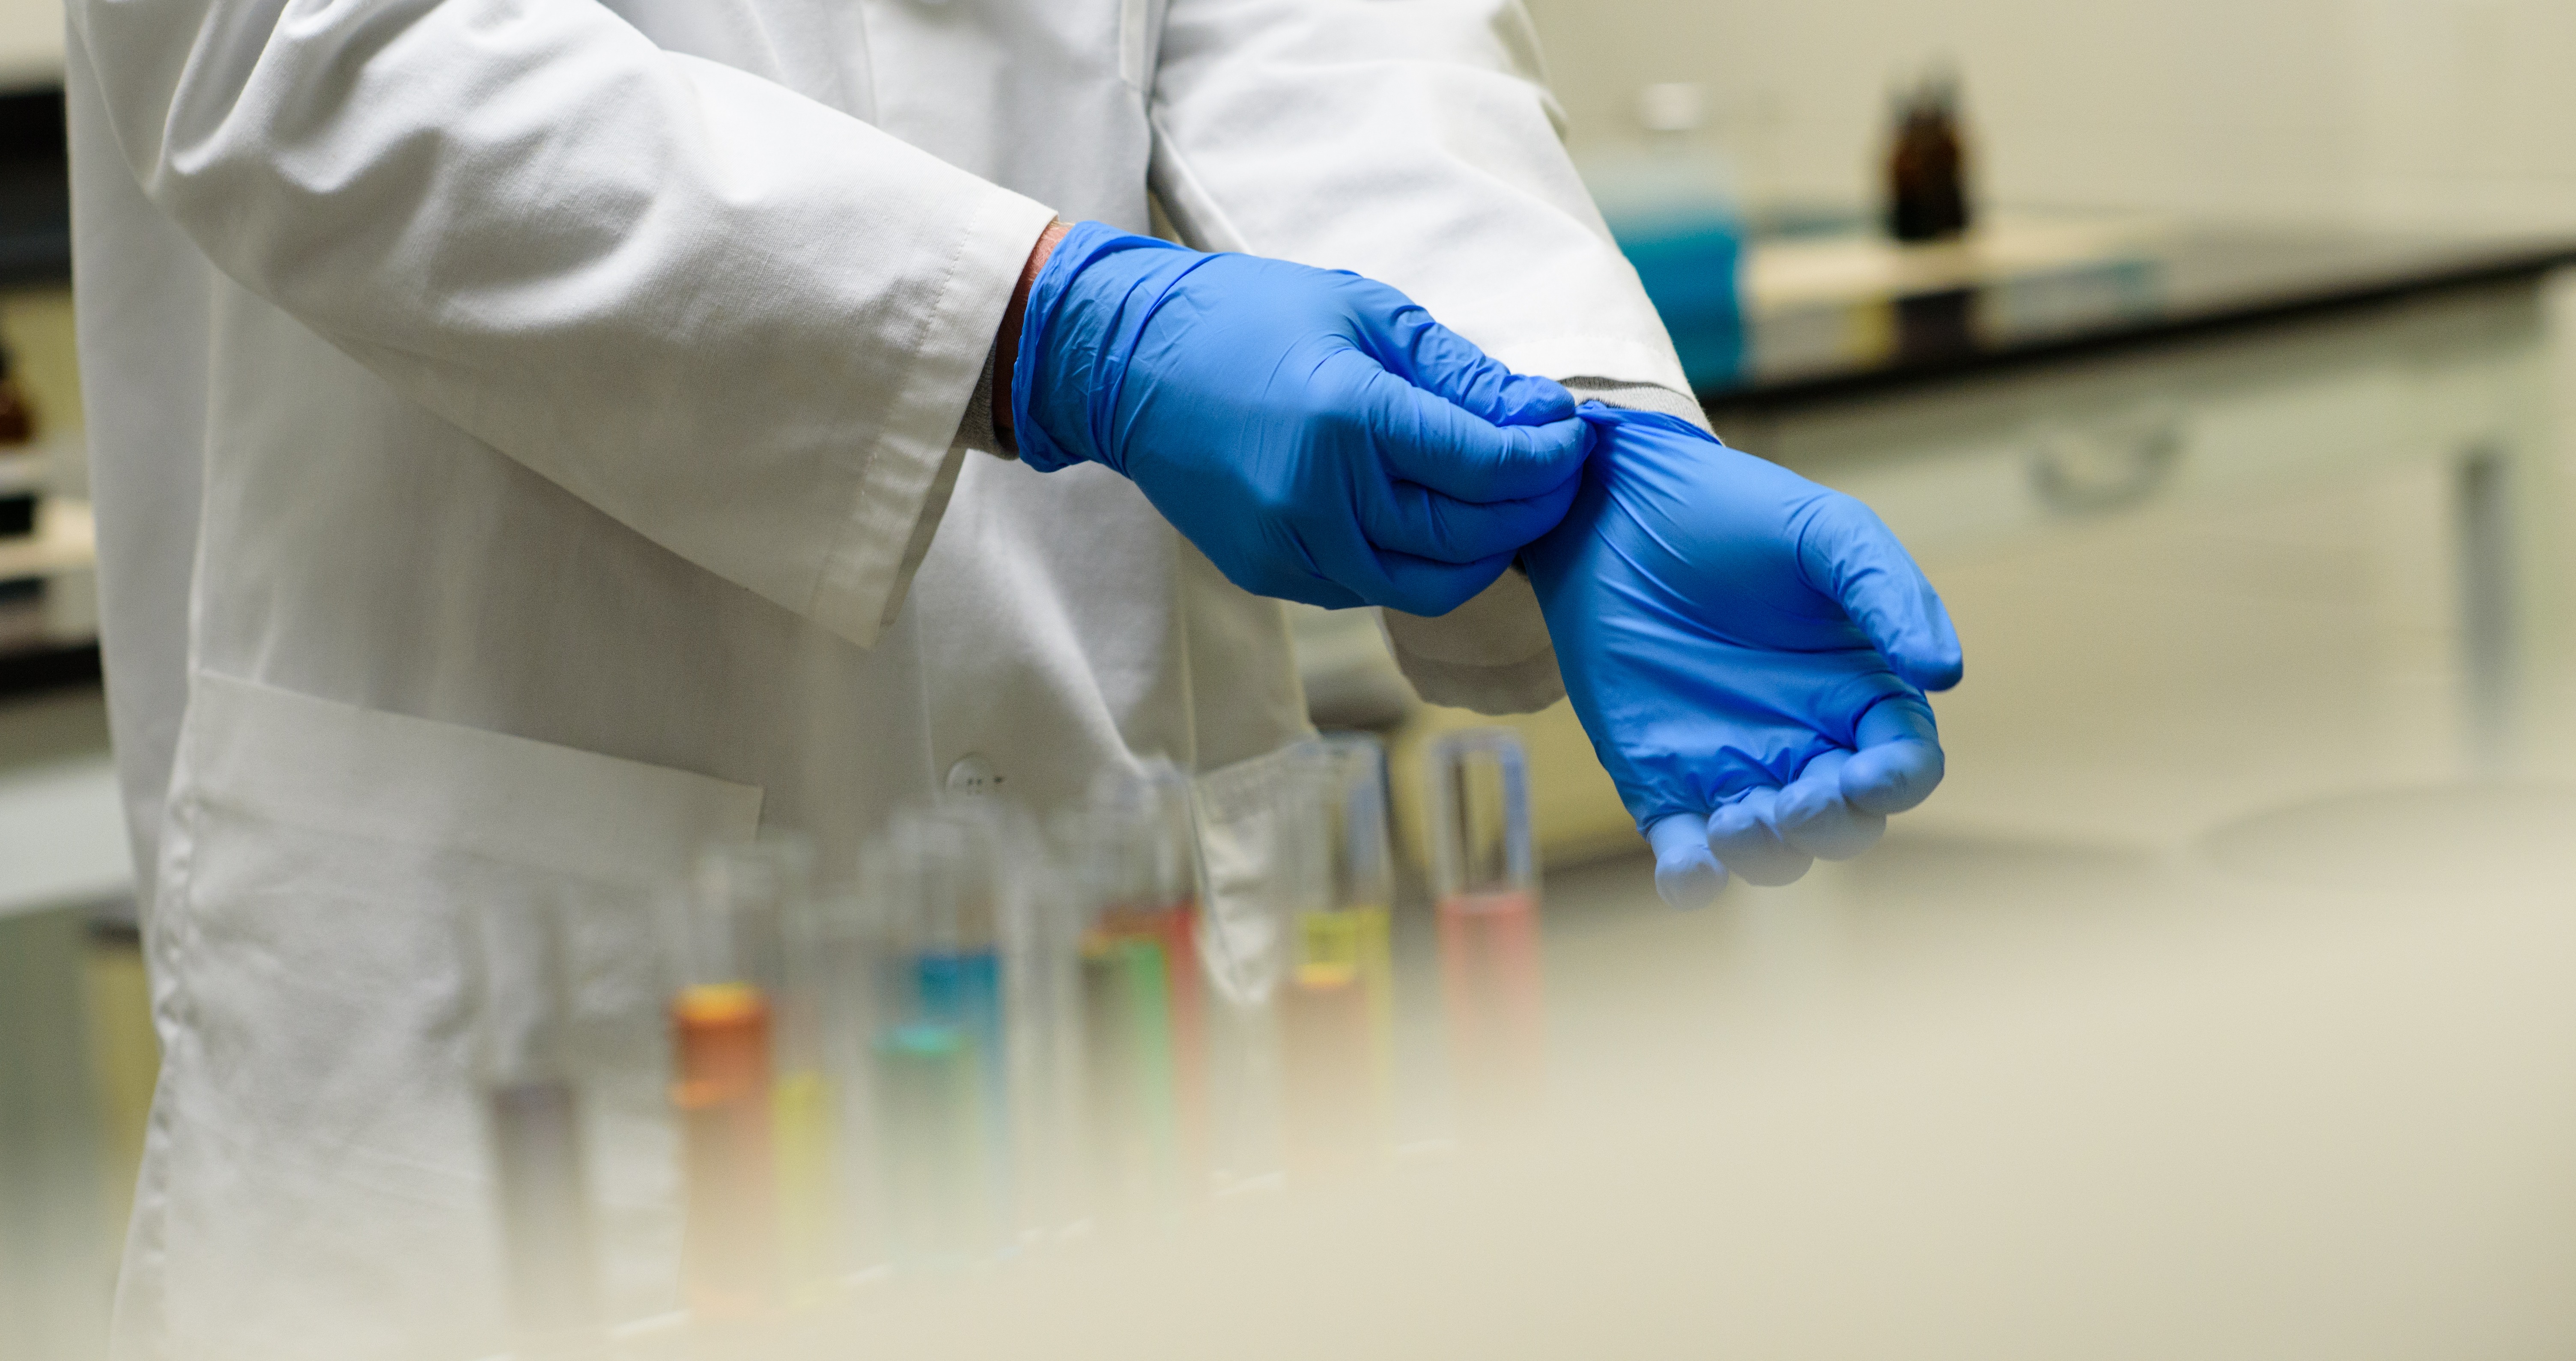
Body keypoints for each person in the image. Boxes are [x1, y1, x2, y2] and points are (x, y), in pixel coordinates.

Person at [64, 0, 1959, 1354]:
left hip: (1114, 860)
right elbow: (296, 50)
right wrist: (1036, 323)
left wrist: (1550, 434)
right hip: (530, 946)